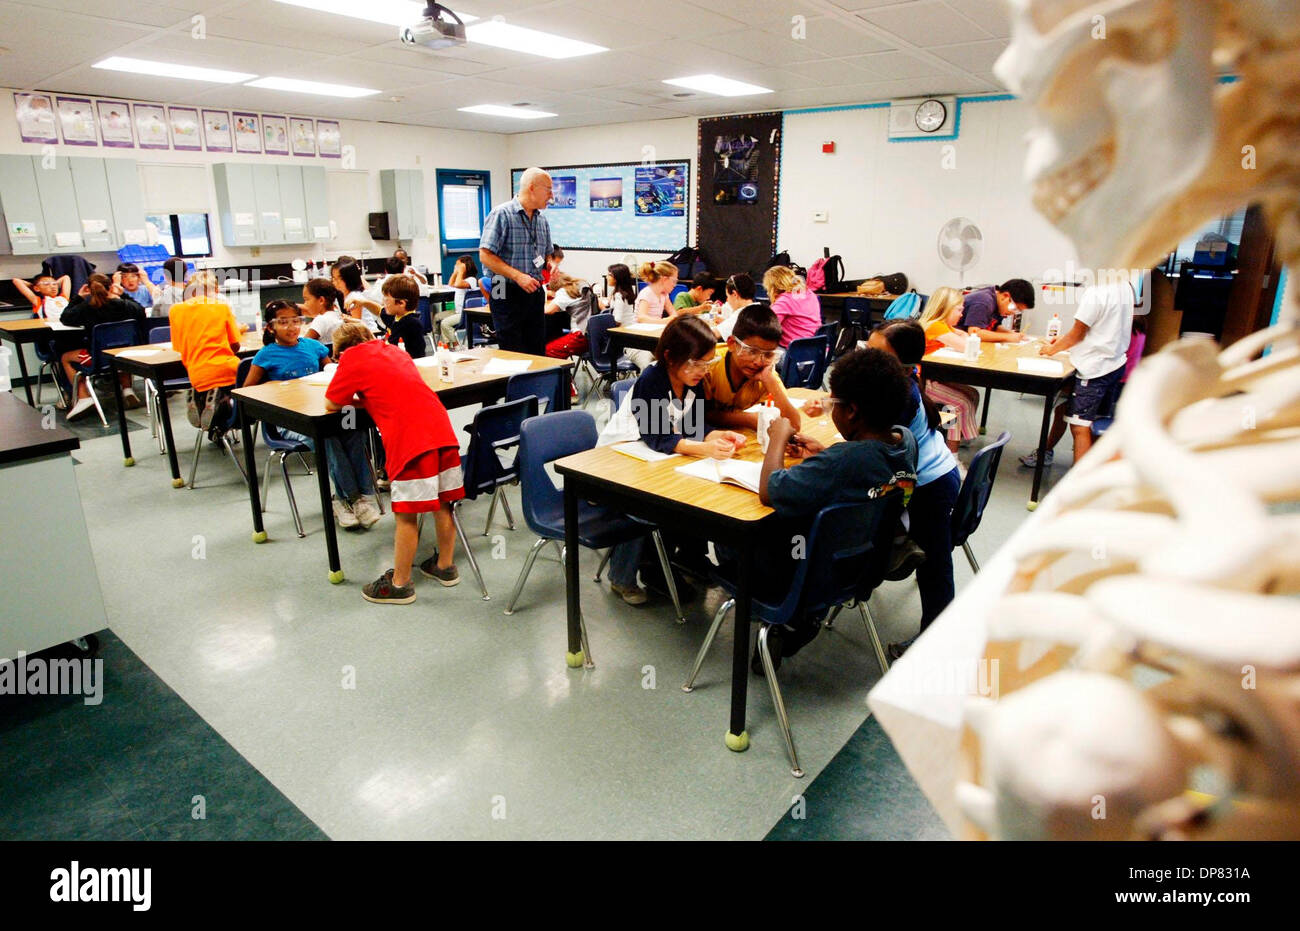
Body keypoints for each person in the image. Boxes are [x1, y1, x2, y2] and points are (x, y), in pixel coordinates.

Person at [753, 346, 918, 670]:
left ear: (852, 411)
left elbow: (769, 491)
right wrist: (824, 454)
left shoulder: (845, 460)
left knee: (740, 535)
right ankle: (800, 621)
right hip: (861, 566)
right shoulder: (905, 441)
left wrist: (778, 437)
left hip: (807, 573)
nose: (832, 409)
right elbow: (860, 470)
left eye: (835, 403)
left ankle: (784, 616)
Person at [599, 315, 746, 605]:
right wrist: (705, 449)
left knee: (693, 494)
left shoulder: (692, 380)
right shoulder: (652, 379)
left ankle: (682, 560)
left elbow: (694, 426)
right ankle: (622, 577)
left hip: (654, 455)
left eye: (707, 363)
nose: (702, 371)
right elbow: (658, 438)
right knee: (641, 507)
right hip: (619, 455)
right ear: (669, 356)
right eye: (695, 363)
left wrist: (716, 436)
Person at [324, 319, 464, 604]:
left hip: (411, 441)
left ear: (341, 350)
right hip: (441, 431)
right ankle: (445, 567)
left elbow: (332, 404)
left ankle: (399, 584)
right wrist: (374, 399)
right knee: (443, 503)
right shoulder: (395, 351)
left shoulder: (351, 359)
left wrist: (366, 402)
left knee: (406, 514)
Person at [868, 321, 963, 659]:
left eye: (878, 354)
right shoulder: (899, 384)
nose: (868, 358)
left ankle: (933, 645)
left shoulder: (899, 396)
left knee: (935, 566)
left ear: (902, 364)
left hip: (931, 485)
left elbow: (867, 444)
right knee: (933, 561)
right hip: (930, 477)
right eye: (868, 348)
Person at [245, 301, 382, 529]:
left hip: (327, 411)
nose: (291, 327)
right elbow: (247, 390)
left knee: (354, 430)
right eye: (283, 322)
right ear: (270, 327)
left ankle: (354, 498)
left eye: (296, 321)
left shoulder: (313, 346)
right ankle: (351, 498)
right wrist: (275, 385)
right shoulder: (265, 355)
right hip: (293, 419)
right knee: (329, 440)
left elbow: (334, 374)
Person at [1026, 279, 1136, 466]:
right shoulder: (1124, 285)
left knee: (1080, 426)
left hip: (1095, 368)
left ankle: (1080, 482)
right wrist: (1063, 341)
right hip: (1114, 363)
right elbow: (1101, 328)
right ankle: (1048, 454)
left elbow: (1078, 334)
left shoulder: (1097, 291)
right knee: (1074, 413)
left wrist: (1051, 350)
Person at [479, 167, 553, 355]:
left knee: (536, 348)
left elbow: (546, 256)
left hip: (534, 290)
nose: (551, 196)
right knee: (513, 349)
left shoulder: (541, 220)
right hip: (503, 286)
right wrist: (518, 276)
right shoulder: (502, 214)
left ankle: (535, 383)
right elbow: (485, 255)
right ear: (532, 188)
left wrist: (552, 266)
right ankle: (515, 384)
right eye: (548, 190)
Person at [58, 273, 146, 420]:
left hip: (97, 359)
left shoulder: (85, 307)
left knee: (65, 357)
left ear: (89, 289)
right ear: (111, 286)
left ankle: (84, 397)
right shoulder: (124, 305)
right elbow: (140, 310)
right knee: (119, 349)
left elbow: (65, 318)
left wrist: (78, 297)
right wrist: (123, 295)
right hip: (127, 357)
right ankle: (127, 389)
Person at [702, 304, 801, 432]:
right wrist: (748, 419)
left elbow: (793, 425)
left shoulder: (765, 373)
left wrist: (769, 380)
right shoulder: (708, 364)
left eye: (768, 354)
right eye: (752, 351)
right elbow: (700, 415)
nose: (758, 362)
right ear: (732, 344)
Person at [169, 271, 246, 436]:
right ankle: (226, 408)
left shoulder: (175, 310)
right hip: (230, 370)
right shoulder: (221, 307)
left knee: (207, 379)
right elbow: (235, 345)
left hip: (197, 372)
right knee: (251, 374)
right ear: (214, 290)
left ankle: (205, 400)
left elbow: (179, 347)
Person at [917, 287, 982, 451]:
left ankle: (957, 434)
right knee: (961, 403)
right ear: (946, 308)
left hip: (934, 377)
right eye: (959, 309)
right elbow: (966, 345)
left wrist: (965, 336)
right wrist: (966, 338)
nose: (962, 314)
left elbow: (966, 336)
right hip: (923, 382)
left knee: (973, 394)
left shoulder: (943, 325)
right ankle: (952, 454)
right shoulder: (935, 326)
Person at [957, 278, 1035, 343]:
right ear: (1005, 296)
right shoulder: (984, 302)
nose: (1013, 313)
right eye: (1015, 308)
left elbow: (994, 326)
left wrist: (1012, 333)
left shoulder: (998, 302)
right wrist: (1007, 337)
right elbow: (975, 333)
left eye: (1018, 311)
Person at [763, 266, 820, 347]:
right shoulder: (810, 294)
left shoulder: (784, 301)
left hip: (794, 352)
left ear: (773, 287)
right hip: (816, 349)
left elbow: (766, 330)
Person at [543, 271, 595, 359]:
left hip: (579, 336)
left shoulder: (564, 292)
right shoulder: (580, 286)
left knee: (547, 350)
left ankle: (563, 372)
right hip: (591, 334)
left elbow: (548, 310)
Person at [331, 260, 383, 334]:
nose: (335, 281)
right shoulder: (345, 295)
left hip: (369, 333)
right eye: (333, 278)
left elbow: (356, 323)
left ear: (349, 279)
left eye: (339, 278)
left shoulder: (354, 297)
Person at [381, 275, 426, 359]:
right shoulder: (398, 317)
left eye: (386, 300)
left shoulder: (410, 324)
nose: (383, 303)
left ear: (401, 303)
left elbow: (389, 348)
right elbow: (382, 312)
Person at [302, 278, 346, 348]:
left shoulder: (321, 320)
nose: (305, 304)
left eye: (307, 299)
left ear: (321, 300)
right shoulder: (337, 314)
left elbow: (303, 346)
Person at [715, 273, 758, 340]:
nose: (727, 300)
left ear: (735, 294)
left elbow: (712, 334)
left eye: (727, 296)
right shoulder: (761, 308)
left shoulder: (741, 315)